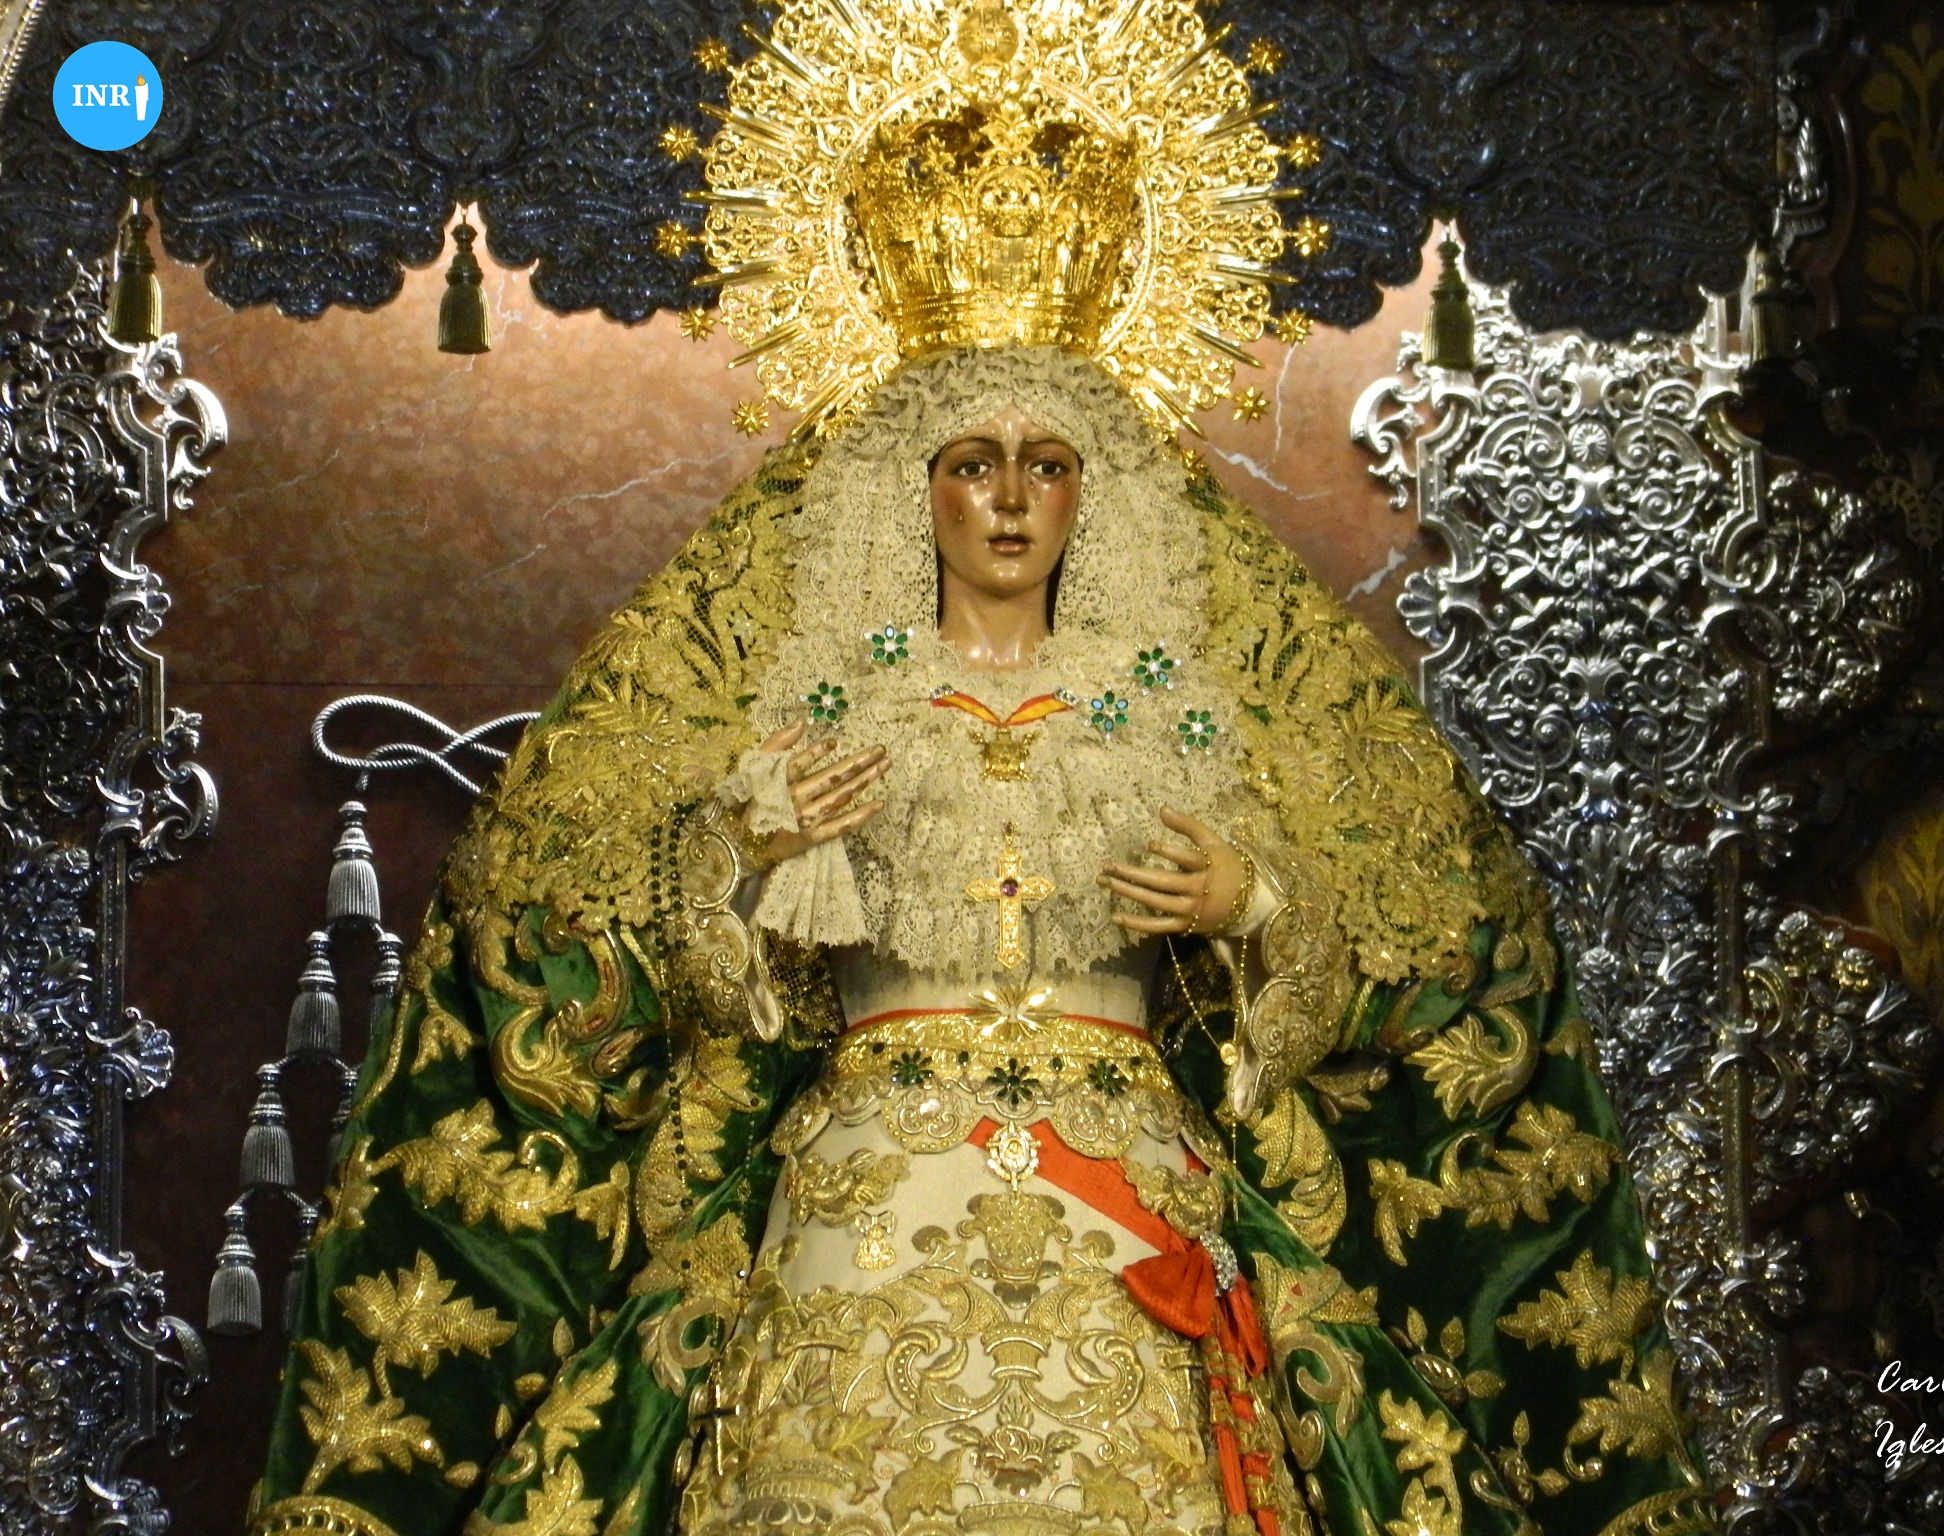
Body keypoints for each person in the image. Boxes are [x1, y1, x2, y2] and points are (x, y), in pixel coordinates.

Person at [247, 5, 1717, 1534]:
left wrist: (1254, 903)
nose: (1009, 500)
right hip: (865, 1201)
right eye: (971, 464)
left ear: (1095, 495)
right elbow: (699, 987)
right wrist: (745, 860)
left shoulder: (1175, 711)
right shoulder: (825, 705)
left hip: (1128, 1194)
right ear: (915, 490)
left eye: (1047, 465)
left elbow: (1338, 971)